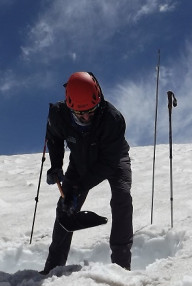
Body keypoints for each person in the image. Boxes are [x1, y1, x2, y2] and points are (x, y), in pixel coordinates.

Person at [40, 71, 133, 274]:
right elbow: (54, 138)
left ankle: (121, 264)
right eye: (80, 114)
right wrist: (56, 166)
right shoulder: (58, 114)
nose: (86, 117)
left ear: (98, 98)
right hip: (80, 160)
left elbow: (108, 163)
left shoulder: (113, 119)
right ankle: (53, 266)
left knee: (122, 196)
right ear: (69, 106)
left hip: (114, 159)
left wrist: (78, 188)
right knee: (65, 209)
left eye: (91, 111)